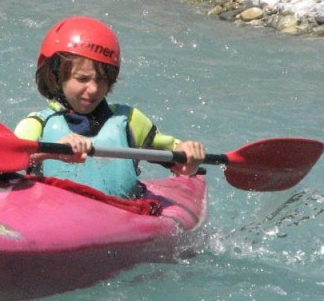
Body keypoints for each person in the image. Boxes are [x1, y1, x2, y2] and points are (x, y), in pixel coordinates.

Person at [13, 17, 205, 199]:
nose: (94, 89)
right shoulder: (36, 123)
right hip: (52, 210)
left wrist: (187, 153)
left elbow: (178, 161)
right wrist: (51, 152)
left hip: (119, 213)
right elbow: (10, 162)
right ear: (55, 76)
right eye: (82, 79)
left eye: (102, 80)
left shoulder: (129, 121)